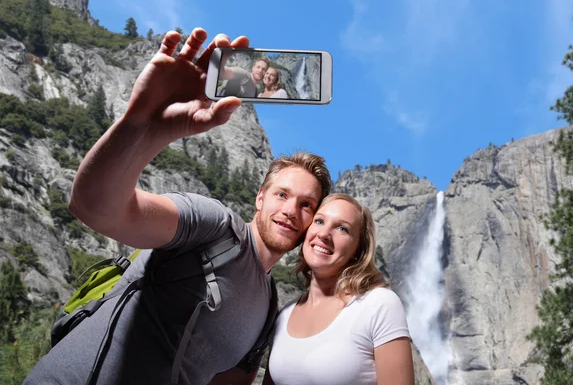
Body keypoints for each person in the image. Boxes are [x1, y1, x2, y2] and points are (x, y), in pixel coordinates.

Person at [23, 28, 332, 385]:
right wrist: (143, 127)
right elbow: (94, 206)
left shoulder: (268, 309)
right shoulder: (214, 225)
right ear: (260, 197)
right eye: (282, 194)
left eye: (306, 205)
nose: (292, 210)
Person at [264, 193, 415, 385]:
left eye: (342, 228)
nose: (324, 234)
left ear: (358, 250)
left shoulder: (379, 304)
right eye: (319, 221)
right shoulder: (285, 314)